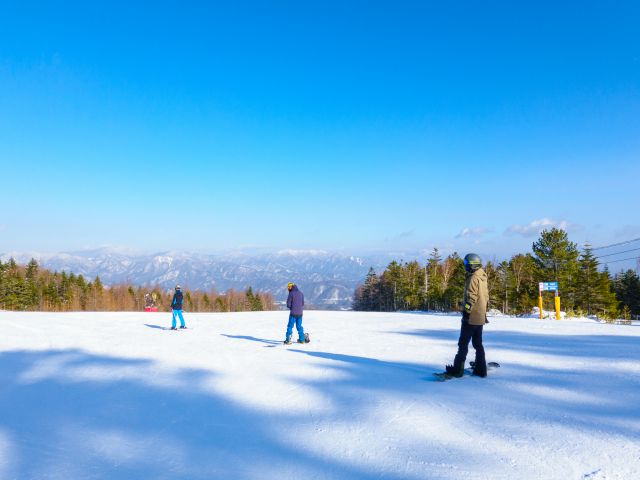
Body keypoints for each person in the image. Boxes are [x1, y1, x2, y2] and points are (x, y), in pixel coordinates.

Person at [445, 253, 489, 377]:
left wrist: (466, 311)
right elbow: (485, 297)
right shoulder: (482, 276)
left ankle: (457, 369)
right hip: (480, 316)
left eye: (466, 264)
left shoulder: (473, 278)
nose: (465, 266)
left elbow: (471, 297)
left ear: (472, 265)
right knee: (477, 343)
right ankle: (481, 368)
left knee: (463, 343)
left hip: (471, 317)